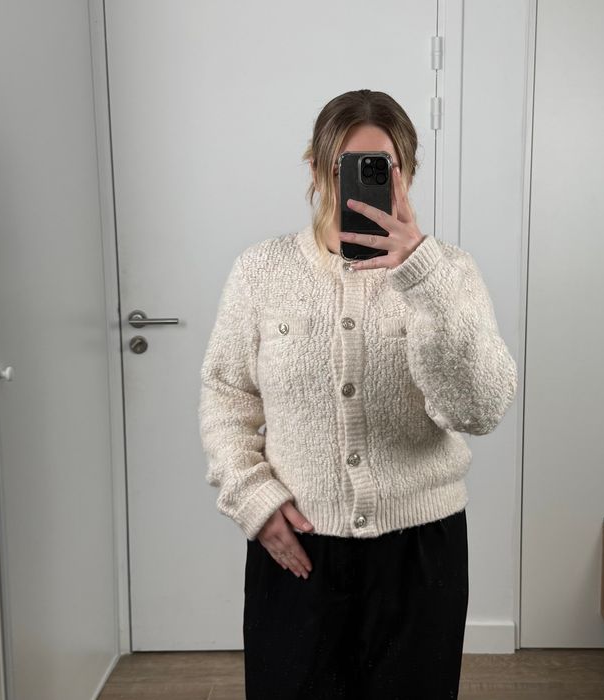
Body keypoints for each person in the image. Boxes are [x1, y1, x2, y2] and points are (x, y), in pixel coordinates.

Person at [198, 89, 518, 699]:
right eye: (346, 166)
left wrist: (422, 277)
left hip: (420, 553)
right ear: (317, 168)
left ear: (408, 174)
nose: (363, 185)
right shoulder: (260, 271)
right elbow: (227, 395)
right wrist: (252, 498)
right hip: (296, 546)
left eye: (384, 167)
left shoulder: (449, 273)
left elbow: (480, 409)